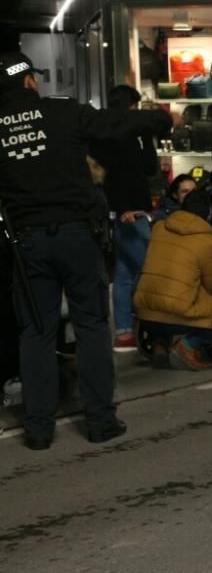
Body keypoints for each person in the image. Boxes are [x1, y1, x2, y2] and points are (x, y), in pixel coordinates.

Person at [0, 50, 151, 449]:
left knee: (35, 331)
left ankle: (38, 429)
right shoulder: (61, 113)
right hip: (77, 236)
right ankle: (100, 420)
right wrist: (159, 118)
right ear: (30, 80)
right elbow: (113, 125)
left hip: (27, 242)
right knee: (90, 325)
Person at [133, 189, 212, 370]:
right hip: (178, 316)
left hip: (146, 313)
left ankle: (160, 344)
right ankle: (190, 344)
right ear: (209, 214)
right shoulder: (208, 241)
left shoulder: (159, 228)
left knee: (167, 294)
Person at [89, 84, 172, 351]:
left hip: (128, 210)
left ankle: (125, 331)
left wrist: (146, 135)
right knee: (147, 267)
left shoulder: (115, 134)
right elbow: (128, 172)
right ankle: (152, 325)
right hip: (129, 211)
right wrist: (122, 208)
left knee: (125, 272)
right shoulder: (115, 136)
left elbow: (147, 168)